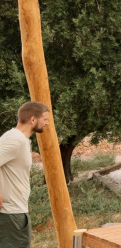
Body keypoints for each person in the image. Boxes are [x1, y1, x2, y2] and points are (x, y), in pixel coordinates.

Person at [0, 101, 50, 248]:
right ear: (33, 119)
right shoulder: (15, 139)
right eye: (45, 119)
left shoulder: (19, 139)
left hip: (15, 212)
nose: (47, 123)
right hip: (10, 214)